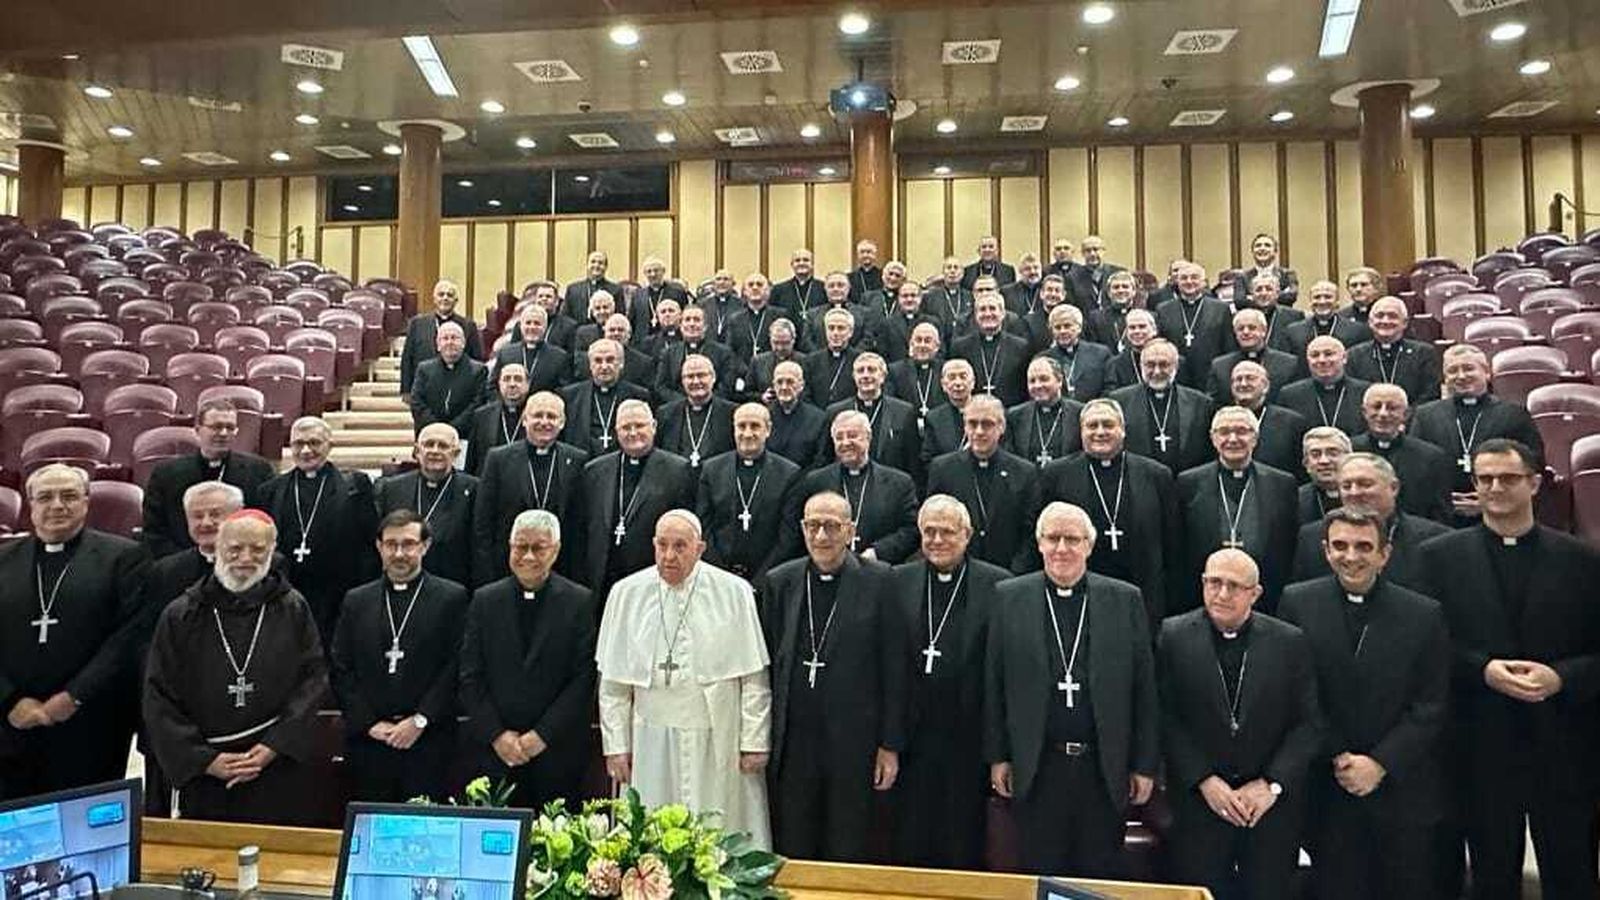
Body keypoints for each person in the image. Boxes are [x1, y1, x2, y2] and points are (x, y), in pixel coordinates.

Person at [1418, 439, 1600, 900]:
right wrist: (1483, 670)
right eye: (1485, 479)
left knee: (1572, 873)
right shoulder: (1437, 558)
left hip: (1563, 748)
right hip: (1479, 745)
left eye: (1508, 478)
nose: (1495, 487)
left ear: (1535, 483)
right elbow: (1425, 648)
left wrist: (1562, 677)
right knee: (1492, 876)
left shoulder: (1581, 560)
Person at [1278, 507, 1450, 900]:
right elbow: (1297, 693)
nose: (1351, 556)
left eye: (1363, 546)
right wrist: (1339, 754)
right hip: (1328, 784)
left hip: (1402, 786)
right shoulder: (1297, 602)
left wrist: (1381, 763)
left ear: (1384, 553)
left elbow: (1431, 703)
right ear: (1325, 550)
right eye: (1339, 545)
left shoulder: (1423, 613)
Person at [987, 501, 1159, 876]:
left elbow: (1144, 689)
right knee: (1039, 872)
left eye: (1072, 539)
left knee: (1096, 876)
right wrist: (999, 754)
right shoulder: (1009, 597)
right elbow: (995, 684)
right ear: (1039, 543)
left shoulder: (1125, 599)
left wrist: (1144, 764)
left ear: (1089, 545)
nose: (1061, 548)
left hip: (1102, 767)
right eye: (1053, 538)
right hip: (1038, 766)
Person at [142, 510, 329, 824]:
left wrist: (274, 745)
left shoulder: (292, 607)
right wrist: (204, 759)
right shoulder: (182, 613)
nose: (245, 557)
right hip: (207, 768)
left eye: (258, 550)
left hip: (275, 764)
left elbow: (313, 680)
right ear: (217, 548)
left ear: (272, 552)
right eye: (235, 548)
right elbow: (158, 694)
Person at [598, 510, 772, 847]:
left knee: (717, 830)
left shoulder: (733, 592)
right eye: (661, 545)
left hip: (715, 734)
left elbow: (753, 678)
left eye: (680, 546)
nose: (668, 556)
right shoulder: (626, 594)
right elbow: (614, 686)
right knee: (652, 833)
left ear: (700, 548)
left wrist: (754, 740)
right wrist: (616, 746)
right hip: (650, 738)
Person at [1157, 548, 1324, 900]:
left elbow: (1308, 724)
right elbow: (1166, 717)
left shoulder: (1289, 642)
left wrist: (1271, 785)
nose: (1221, 593)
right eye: (1213, 582)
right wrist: (1204, 780)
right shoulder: (1173, 635)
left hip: (1267, 809)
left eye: (1234, 586)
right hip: (1200, 804)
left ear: (1256, 593)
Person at [760, 492, 903, 861]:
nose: (821, 535)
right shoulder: (782, 581)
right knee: (793, 845)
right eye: (813, 526)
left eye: (832, 526)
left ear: (851, 531)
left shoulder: (880, 581)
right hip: (795, 743)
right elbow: (769, 665)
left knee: (847, 845)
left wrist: (889, 745)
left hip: (854, 742)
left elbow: (894, 667)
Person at [0, 464, 148, 799]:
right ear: (30, 505)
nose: (57, 505)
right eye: (45, 497)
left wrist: (74, 696)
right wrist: (9, 699)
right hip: (12, 720)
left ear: (86, 502)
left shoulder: (123, 557)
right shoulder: (4, 560)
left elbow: (129, 636)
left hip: (92, 718)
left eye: (69, 496)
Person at [889, 496, 1010, 869]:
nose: (937, 540)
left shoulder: (999, 586)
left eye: (947, 532)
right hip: (912, 740)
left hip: (967, 738)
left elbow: (1002, 672)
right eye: (929, 531)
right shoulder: (898, 579)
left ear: (967, 535)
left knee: (963, 845)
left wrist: (998, 751)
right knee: (910, 843)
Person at [461, 510, 597, 810]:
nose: (529, 556)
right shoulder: (485, 601)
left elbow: (582, 678)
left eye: (539, 548)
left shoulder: (578, 601)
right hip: (496, 750)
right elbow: (471, 675)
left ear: (556, 550)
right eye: (520, 547)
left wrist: (541, 735)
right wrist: (497, 735)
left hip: (555, 749)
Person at [332, 511, 469, 803]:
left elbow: (456, 666)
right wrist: (369, 724)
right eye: (391, 544)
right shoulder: (357, 600)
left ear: (425, 546)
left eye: (408, 544)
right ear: (379, 547)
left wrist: (420, 720)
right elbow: (341, 667)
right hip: (370, 741)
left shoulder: (451, 598)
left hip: (428, 740)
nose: (399, 553)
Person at [134, 481, 246, 815]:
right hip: (178, 717)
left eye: (216, 514)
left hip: (240, 715)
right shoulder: (165, 572)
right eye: (198, 516)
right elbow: (147, 646)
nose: (207, 523)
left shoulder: (269, 571)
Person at [1032, 399, 1182, 626]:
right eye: (1092, 426)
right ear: (1081, 431)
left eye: (1108, 425)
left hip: (1144, 593)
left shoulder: (1156, 475)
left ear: (1122, 430)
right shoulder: (1056, 475)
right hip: (1081, 592)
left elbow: (1172, 542)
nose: (1100, 432)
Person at [258, 416, 379, 644]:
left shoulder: (355, 487)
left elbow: (369, 543)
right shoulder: (271, 491)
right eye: (298, 443)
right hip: (288, 592)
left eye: (314, 443)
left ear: (329, 445)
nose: (306, 450)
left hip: (339, 592)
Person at [1177, 406, 1299, 613]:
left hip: (1265, 597)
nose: (1233, 439)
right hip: (1206, 596)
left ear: (1255, 437)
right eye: (1224, 432)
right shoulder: (1188, 483)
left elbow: (1288, 546)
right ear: (1213, 438)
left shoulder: (1282, 484)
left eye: (1242, 431)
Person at [1409, 343, 1544, 526]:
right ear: (1445, 378)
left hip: (1500, 515)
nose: (1461, 376)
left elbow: (1533, 466)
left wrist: (1490, 501)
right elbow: (1416, 467)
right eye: (1452, 371)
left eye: (1468, 369)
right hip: (1440, 519)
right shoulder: (1426, 415)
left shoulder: (1514, 415)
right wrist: (1443, 502)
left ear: (1487, 372)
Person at [472, 391, 589, 586]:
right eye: (537, 415)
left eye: (551, 416)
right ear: (525, 420)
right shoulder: (499, 459)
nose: (544, 422)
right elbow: (483, 521)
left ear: (562, 422)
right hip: (507, 568)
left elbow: (580, 524)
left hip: (561, 571)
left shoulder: (577, 460)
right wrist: (488, 573)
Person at [581, 400, 696, 596]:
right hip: (603, 578)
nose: (633, 433)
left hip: (652, 576)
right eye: (626, 427)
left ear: (653, 427)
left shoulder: (678, 470)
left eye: (640, 425)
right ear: (617, 431)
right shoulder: (595, 470)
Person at [1291, 453, 1449, 592]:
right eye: (1346, 486)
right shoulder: (1312, 537)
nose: (1354, 492)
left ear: (1393, 487)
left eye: (1365, 484)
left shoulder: (1434, 539)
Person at [141, 398, 275, 558]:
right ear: (198, 430)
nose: (224, 433)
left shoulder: (258, 471)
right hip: (181, 565)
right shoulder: (166, 474)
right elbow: (154, 531)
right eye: (217, 427)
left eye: (230, 428)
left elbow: (265, 525)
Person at [783, 411, 919, 564]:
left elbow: (911, 530)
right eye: (839, 438)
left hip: (881, 572)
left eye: (852, 435)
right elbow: (799, 530)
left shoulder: (899, 483)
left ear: (868, 437)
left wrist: (878, 552)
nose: (846, 443)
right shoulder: (816, 481)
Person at [926, 395, 1038, 570]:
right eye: (972, 423)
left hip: (1009, 574)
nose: (979, 431)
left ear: (1001, 427)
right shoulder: (942, 469)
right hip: (959, 571)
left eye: (987, 424)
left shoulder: (1024, 472)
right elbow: (933, 523)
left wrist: (1016, 571)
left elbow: (1030, 531)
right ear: (965, 427)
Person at [696, 403, 802, 581]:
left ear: (768, 430)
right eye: (741, 426)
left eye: (755, 426)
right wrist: (721, 575)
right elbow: (704, 527)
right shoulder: (711, 469)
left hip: (767, 579)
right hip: (719, 576)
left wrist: (761, 581)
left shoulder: (788, 474)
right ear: (733, 429)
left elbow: (788, 536)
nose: (747, 433)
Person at [375, 424, 478, 587]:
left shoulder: (474, 489)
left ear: (456, 453)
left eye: (443, 446)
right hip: (405, 578)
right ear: (417, 451)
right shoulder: (392, 488)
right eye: (429, 444)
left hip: (455, 582)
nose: (435, 451)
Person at [1110, 339, 1215, 475]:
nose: (1157, 371)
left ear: (1176, 366)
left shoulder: (1201, 403)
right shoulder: (1119, 401)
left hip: (1186, 483)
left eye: (1164, 364)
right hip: (1139, 481)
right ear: (1141, 366)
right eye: (1150, 365)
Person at [1350, 383, 1453, 521]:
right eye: (1376, 407)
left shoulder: (1431, 457)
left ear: (1406, 414)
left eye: (1392, 408)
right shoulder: (1349, 451)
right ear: (1364, 412)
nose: (1383, 414)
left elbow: (1441, 513)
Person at [820, 353, 921, 479]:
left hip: (891, 483)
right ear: (854, 376)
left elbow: (913, 461)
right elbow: (825, 458)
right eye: (860, 371)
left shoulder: (904, 412)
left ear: (883, 376)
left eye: (872, 370)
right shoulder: (835, 412)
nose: (866, 375)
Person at [558, 337, 650, 457]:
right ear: (590, 365)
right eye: (598, 361)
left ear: (621, 363)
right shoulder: (570, 396)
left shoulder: (639, 396)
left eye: (610, 360)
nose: (604, 366)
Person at [1345, 296, 1443, 404]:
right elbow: (1352, 397)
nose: (1385, 321)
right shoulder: (1354, 355)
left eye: (1393, 316)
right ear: (1370, 322)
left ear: (1405, 322)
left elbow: (1430, 396)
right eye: (1380, 316)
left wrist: (1403, 417)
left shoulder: (1423, 353)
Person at [1153, 261, 1232, 389]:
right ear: (1177, 282)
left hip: (1210, 373)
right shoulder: (1164, 309)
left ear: (1204, 282)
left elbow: (1228, 345)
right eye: (1184, 278)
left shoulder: (1220, 309)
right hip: (1176, 374)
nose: (1189, 282)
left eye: (1194, 277)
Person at [400, 279, 483, 398]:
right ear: (434, 299)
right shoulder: (417, 324)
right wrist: (406, 390)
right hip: (425, 388)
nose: (445, 298)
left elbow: (476, 359)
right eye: (441, 294)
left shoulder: (468, 326)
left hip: (459, 389)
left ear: (456, 300)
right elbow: (407, 358)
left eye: (450, 295)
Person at [951, 285, 1030, 408]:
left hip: (1010, 414)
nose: (988, 314)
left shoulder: (1021, 347)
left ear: (1003, 313)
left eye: (992, 308)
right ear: (975, 315)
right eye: (982, 309)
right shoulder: (960, 347)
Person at [1227, 360, 1310, 476]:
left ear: (1265, 386)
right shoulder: (1221, 421)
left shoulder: (1291, 423)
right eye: (1238, 379)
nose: (1243, 384)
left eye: (1250, 378)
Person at [1277, 336, 1371, 437]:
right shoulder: (1290, 395)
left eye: (1328, 354)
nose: (1321, 360)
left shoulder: (1365, 392)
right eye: (1315, 355)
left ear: (1344, 358)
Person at [655, 354, 735, 469]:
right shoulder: (666, 413)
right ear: (682, 381)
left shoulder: (731, 413)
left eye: (701, 375)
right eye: (690, 376)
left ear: (713, 378)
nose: (696, 381)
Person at [1206, 308, 1299, 406]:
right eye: (1240, 328)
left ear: (1264, 331)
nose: (1246, 332)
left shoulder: (1288, 364)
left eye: (1252, 327)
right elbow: (1213, 405)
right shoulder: (1220, 366)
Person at [408, 321, 488, 434]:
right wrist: (437, 428)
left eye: (454, 338)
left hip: (464, 435)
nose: (450, 342)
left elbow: (477, 404)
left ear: (463, 343)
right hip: (430, 434)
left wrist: (452, 429)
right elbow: (417, 402)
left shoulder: (478, 371)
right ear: (438, 345)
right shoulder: (424, 370)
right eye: (445, 338)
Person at [1005, 356, 1085, 466]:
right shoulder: (1015, 416)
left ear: (1059, 380)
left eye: (1044, 379)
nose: (1037, 385)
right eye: (1032, 381)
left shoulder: (1079, 413)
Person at [654, 306, 735, 403]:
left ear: (705, 326)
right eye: (687, 320)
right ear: (681, 325)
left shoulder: (723, 353)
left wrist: (706, 400)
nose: (692, 324)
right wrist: (685, 403)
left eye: (697, 320)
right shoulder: (669, 353)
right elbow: (661, 386)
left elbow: (726, 386)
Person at [463, 362, 528, 475]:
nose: (512, 384)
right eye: (507, 379)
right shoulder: (482, 415)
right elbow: (472, 460)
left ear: (528, 384)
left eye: (518, 379)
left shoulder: (536, 415)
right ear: (499, 384)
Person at [1038, 302, 1112, 401]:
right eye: (1057, 327)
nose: (1062, 331)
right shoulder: (1043, 359)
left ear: (1079, 328)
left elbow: (1109, 387)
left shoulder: (1101, 354)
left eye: (1067, 326)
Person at [491, 302, 570, 394]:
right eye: (528, 323)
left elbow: (564, 390)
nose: (532, 327)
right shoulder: (506, 354)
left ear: (545, 327)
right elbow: (492, 386)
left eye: (537, 323)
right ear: (521, 326)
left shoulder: (559, 357)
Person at [1283, 279, 1371, 358]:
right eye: (1317, 297)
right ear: (1310, 302)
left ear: (1337, 302)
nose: (1322, 302)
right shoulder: (1294, 331)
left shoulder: (1356, 330)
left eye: (1328, 297)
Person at [764, 359, 826, 468]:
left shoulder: (818, 419)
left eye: (790, 382)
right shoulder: (763, 417)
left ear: (801, 385)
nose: (784, 387)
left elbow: (820, 459)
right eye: (779, 382)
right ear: (773, 385)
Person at [885, 321, 948, 424]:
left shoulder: (945, 370)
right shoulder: (895, 371)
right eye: (918, 340)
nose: (922, 345)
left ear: (937, 346)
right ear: (911, 344)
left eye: (927, 341)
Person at [802, 306, 864, 409]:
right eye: (831, 328)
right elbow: (805, 394)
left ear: (850, 332)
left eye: (841, 328)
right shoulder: (811, 361)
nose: (835, 333)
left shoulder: (859, 359)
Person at [878, 280, 940, 364]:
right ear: (898, 298)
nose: (909, 299)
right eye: (905, 296)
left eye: (913, 295)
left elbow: (940, 352)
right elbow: (883, 354)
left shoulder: (933, 322)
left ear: (920, 298)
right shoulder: (887, 324)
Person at [1297, 427, 1350, 524]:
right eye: (1316, 455)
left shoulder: (1361, 495)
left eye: (1333, 453)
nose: (1324, 461)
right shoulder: (1295, 500)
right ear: (1306, 463)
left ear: (1349, 459)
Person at [1232, 234, 1299, 309]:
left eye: (1267, 245)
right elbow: (1239, 302)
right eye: (1258, 246)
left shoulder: (1287, 274)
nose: (1262, 248)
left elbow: (1291, 297)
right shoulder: (1242, 277)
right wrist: (1277, 295)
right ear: (1252, 252)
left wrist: (1253, 297)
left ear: (1275, 252)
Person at [1102, 306, 1158, 391]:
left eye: (1142, 327)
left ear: (1154, 330)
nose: (1137, 331)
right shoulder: (1115, 364)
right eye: (1132, 328)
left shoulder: (1170, 359)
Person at [1085, 271, 1140, 354]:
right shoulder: (1095, 318)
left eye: (1125, 287)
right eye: (1116, 287)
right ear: (1109, 293)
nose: (1120, 290)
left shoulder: (1146, 316)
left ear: (1134, 291)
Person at [1067, 236, 1125, 311]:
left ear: (1103, 251)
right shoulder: (1072, 277)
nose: (1092, 254)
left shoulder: (1118, 273)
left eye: (1096, 249)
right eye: (1088, 251)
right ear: (1082, 253)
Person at [561, 250, 622, 321]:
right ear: (587, 265)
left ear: (605, 267)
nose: (596, 265)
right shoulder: (573, 289)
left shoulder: (615, 289)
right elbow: (565, 317)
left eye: (600, 263)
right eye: (593, 262)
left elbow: (619, 316)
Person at [922, 256, 974, 338]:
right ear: (943, 273)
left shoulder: (970, 296)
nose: (952, 271)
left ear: (962, 273)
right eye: (949, 268)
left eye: (956, 268)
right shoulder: (930, 297)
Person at [770, 250, 827, 320]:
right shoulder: (778, 290)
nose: (801, 263)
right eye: (797, 260)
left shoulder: (823, 287)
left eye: (806, 260)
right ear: (792, 265)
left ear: (812, 264)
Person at [699, 269, 743, 344]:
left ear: (733, 284)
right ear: (713, 284)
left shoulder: (741, 304)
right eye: (718, 279)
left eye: (726, 279)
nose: (722, 282)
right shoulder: (703, 304)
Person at [1001, 253, 1044, 320]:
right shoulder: (1007, 292)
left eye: (1036, 268)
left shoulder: (1048, 290)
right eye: (1027, 269)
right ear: (1020, 271)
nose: (1032, 272)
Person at [848, 238, 884, 303]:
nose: (865, 255)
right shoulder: (849, 278)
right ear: (858, 255)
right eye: (862, 252)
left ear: (875, 255)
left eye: (868, 252)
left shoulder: (883, 276)